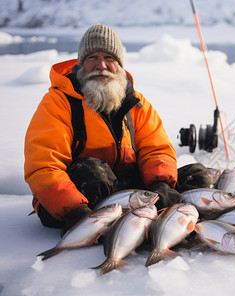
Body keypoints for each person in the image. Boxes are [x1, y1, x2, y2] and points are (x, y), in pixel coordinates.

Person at [24, 24, 211, 234]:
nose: (101, 65)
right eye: (92, 57)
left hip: (125, 189)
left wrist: (161, 185)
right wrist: (74, 210)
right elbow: (44, 165)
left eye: (109, 58)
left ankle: (167, 225)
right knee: (93, 172)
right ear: (81, 63)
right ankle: (104, 225)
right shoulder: (58, 102)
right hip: (76, 197)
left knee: (198, 176)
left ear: (119, 64)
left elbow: (156, 148)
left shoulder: (137, 102)